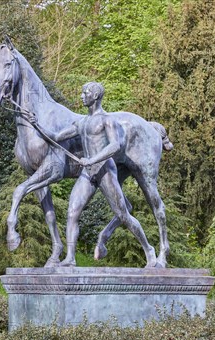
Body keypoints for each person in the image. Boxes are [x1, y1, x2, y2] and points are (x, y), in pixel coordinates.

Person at [29, 82, 157, 268]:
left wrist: (92, 159)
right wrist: (36, 125)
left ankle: (149, 250)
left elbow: (115, 146)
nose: (82, 96)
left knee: (123, 215)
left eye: (85, 93)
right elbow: (56, 137)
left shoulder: (107, 120)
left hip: (105, 170)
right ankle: (70, 258)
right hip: (87, 173)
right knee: (72, 212)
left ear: (95, 96)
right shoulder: (82, 122)